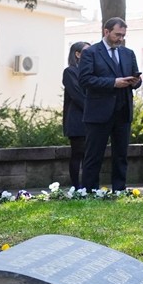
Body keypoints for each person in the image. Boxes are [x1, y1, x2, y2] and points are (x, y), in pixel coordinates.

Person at [78, 18, 142, 192]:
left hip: (123, 111)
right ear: (106, 32)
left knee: (121, 155)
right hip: (99, 112)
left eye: (123, 35)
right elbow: (85, 79)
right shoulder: (91, 52)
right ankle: (89, 192)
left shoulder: (129, 53)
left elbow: (136, 81)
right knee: (94, 155)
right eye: (117, 34)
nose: (120, 38)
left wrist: (135, 81)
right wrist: (113, 82)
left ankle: (119, 191)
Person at [62, 41, 89, 188]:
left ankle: (87, 185)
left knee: (88, 155)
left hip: (90, 119)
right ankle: (77, 187)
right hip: (77, 119)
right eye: (86, 51)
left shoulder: (90, 70)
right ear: (77, 54)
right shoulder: (70, 71)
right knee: (78, 153)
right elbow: (77, 95)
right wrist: (93, 109)